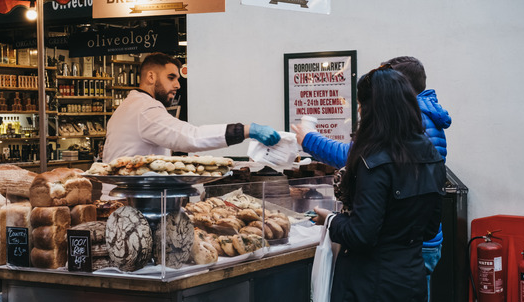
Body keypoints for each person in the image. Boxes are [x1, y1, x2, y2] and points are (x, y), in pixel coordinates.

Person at [293, 56, 451, 300]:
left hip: (372, 285)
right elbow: (430, 229)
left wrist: (331, 220)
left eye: (360, 106)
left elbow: (361, 235)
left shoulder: (372, 158)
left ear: (372, 109)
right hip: (411, 281)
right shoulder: (431, 154)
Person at [102, 53, 280, 189]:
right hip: (133, 201)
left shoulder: (128, 106)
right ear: (151, 77)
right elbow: (191, 137)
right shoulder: (145, 109)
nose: (178, 85)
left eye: (178, 79)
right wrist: (246, 130)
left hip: (124, 197)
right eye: (171, 78)